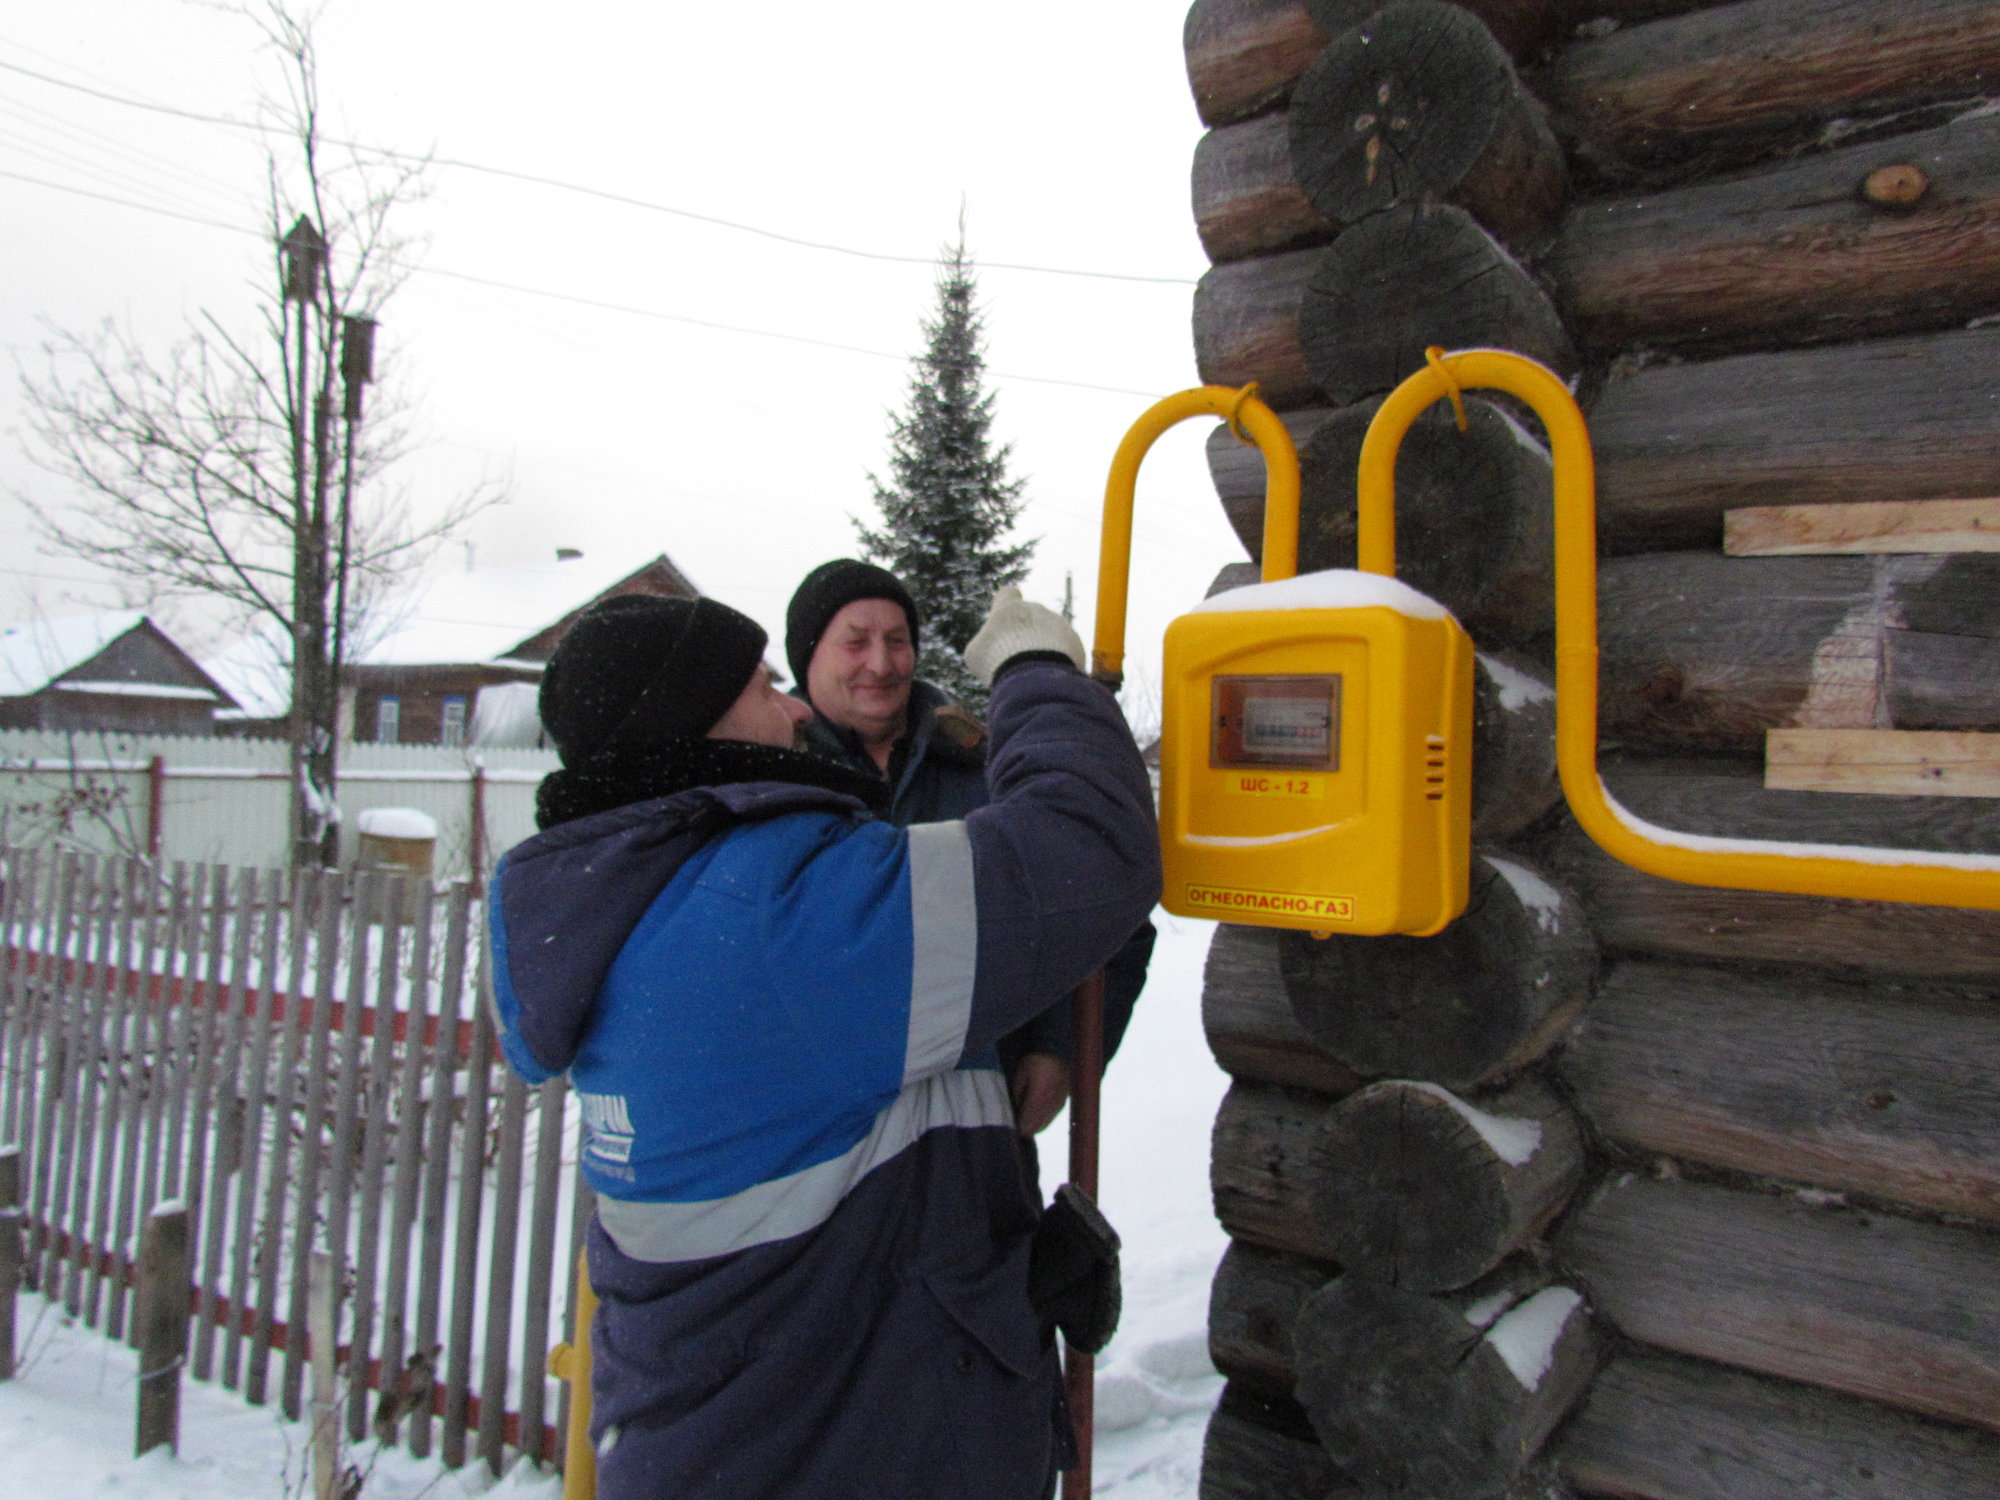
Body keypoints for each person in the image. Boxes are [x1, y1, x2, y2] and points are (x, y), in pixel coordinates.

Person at [488, 587, 1159, 1499]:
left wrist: (992, 1274)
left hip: (758, 1439)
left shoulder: (640, 903)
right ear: (696, 727)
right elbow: (1091, 847)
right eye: (765, 686)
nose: (795, 708)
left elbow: (825, 1168)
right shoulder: (777, 916)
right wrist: (1036, 673)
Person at [785, 559, 1155, 1137]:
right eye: (855, 643)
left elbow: (1110, 915)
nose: (881, 664)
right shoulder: (766, 786)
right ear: (807, 658)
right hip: (815, 1136)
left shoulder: (982, 768)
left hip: (978, 1125)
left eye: (897, 641)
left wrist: (1061, 1048)